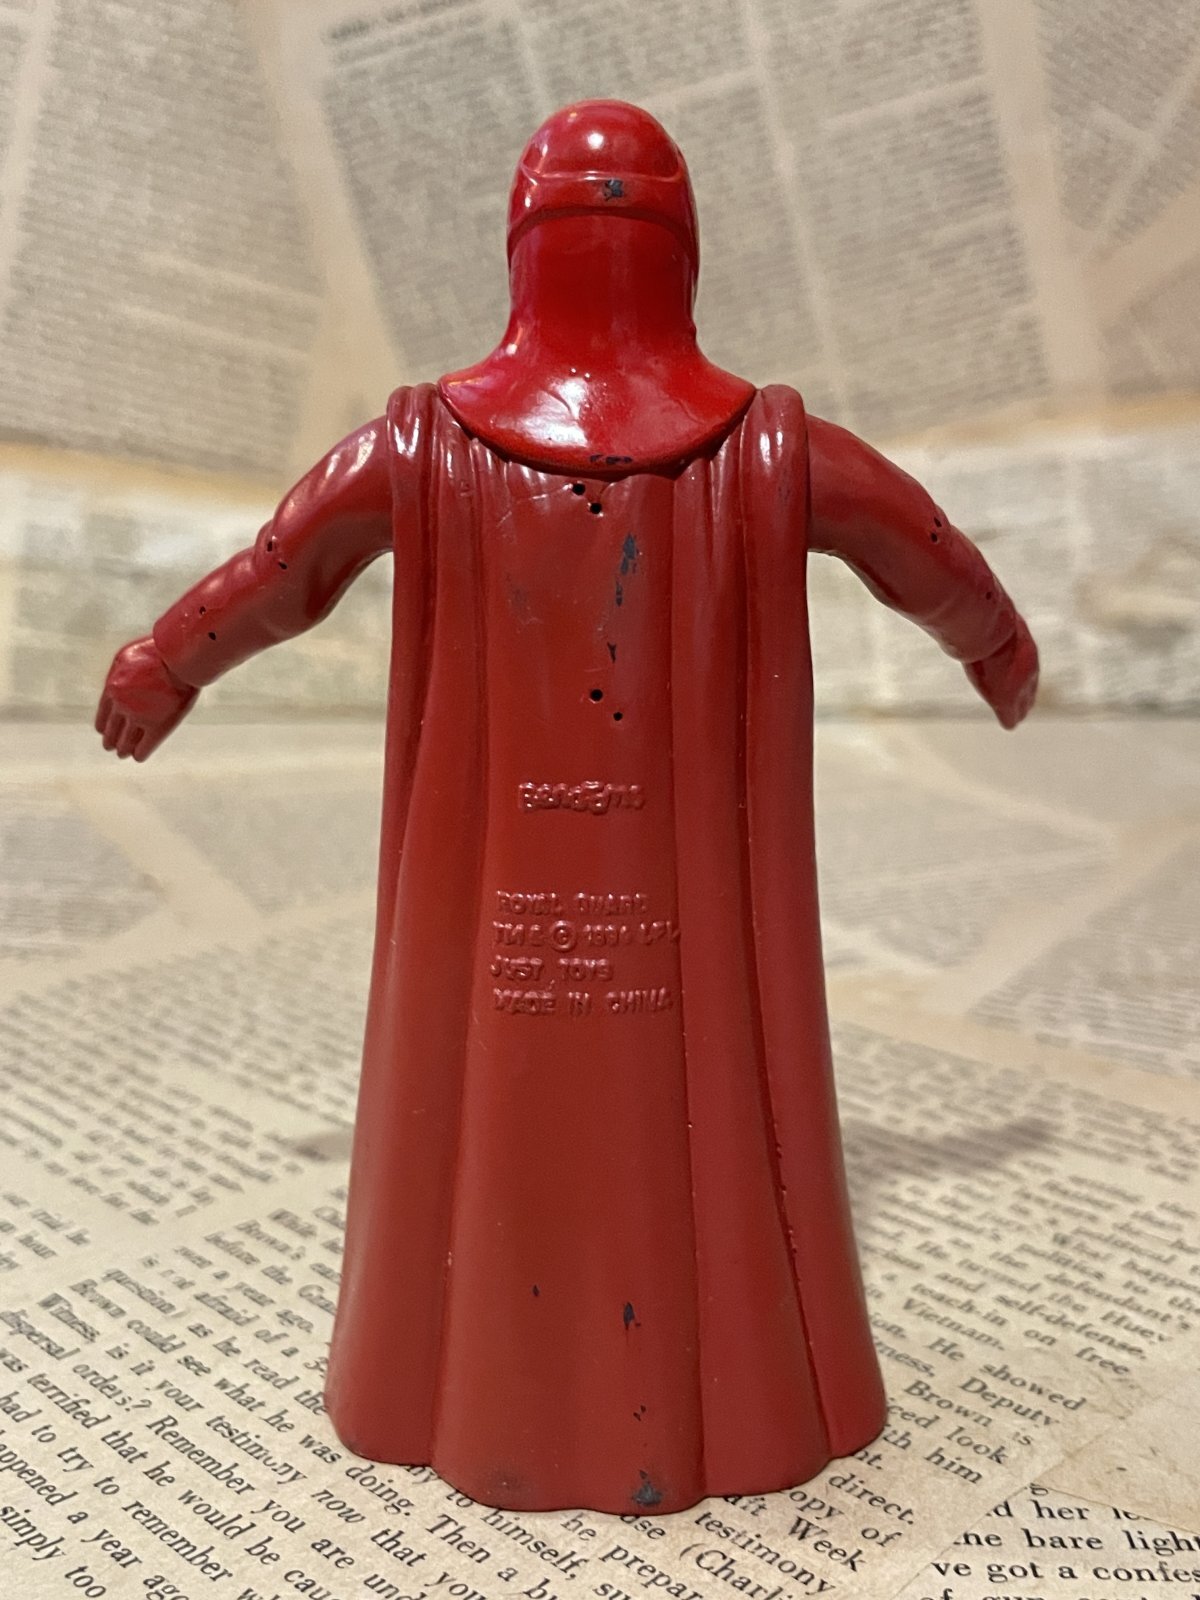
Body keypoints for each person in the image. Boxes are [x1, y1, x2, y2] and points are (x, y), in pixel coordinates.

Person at [95, 100, 1038, 1515]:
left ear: (522, 247)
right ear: (683, 251)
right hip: (680, 914)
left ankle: (489, 1402)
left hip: (504, 913)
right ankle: (711, 1414)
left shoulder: (423, 447)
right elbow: (934, 556)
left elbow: (277, 573)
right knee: (704, 1132)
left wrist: (160, 663)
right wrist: (1001, 655)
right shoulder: (773, 452)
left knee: (484, 1131)